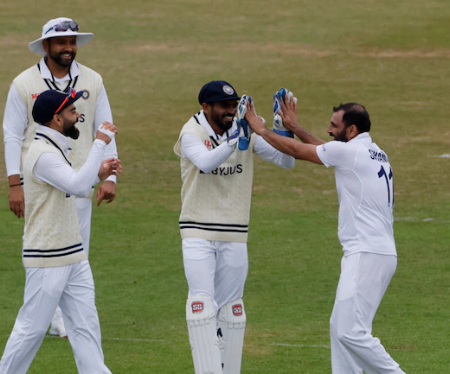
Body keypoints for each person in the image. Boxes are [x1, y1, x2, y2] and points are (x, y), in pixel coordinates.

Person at [245, 93, 407, 374]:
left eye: (334, 125)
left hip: (366, 253)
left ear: (352, 130)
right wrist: (294, 127)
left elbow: (297, 152)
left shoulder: (350, 152)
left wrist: (260, 130)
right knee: (340, 329)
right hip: (376, 253)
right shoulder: (369, 150)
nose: (329, 130)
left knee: (350, 333)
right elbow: (326, 150)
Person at [2, 17, 118, 337]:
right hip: (39, 182)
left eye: (72, 41)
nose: (68, 48)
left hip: (81, 179)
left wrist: (110, 177)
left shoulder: (92, 80)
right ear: (46, 46)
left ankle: (65, 318)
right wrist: (15, 184)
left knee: (77, 251)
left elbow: (104, 126)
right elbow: (12, 135)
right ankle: (40, 317)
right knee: (45, 250)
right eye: (61, 42)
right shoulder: (24, 83)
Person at [173, 81, 295, 374]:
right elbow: (204, 163)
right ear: (206, 107)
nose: (230, 111)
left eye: (233, 105)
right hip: (197, 231)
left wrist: (281, 130)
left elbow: (286, 161)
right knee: (201, 307)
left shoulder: (245, 130)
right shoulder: (192, 132)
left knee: (231, 312)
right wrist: (235, 138)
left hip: (235, 232)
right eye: (223, 106)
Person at [0, 89, 120, 374]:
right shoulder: (42, 154)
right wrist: (100, 143)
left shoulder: (54, 146)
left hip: (73, 254)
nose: (78, 116)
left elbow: (74, 183)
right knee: (31, 329)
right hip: (48, 255)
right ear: (56, 119)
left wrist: (98, 175)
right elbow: (77, 186)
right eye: (72, 112)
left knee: (86, 328)